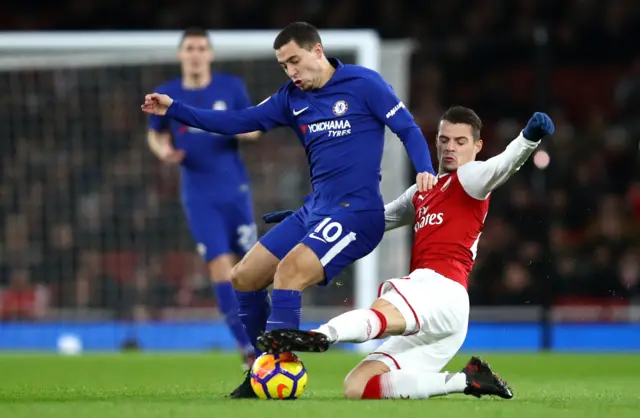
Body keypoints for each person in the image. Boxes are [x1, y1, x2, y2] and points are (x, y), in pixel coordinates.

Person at [141, 21, 437, 398]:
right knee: (243, 278)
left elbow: (408, 129)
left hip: (357, 211)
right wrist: (176, 110)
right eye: (284, 66)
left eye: (295, 61)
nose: (291, 72)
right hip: (316, 208)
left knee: (289, 272)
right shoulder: (289, 98)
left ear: (317, 51)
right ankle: (263, 367)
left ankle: (281, 375)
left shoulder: (365, 84)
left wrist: (425, 170)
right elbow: (236, 121)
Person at [258, 107, 555, 400]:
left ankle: (322, 335)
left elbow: (504, 165)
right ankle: (467, 380)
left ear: (477, 146)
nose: (450, 148)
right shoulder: (420, 191)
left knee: (383, 311)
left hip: (440, 287)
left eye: (460, 142)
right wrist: (309, 222)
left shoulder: (471, 178)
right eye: (444, 140)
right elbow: (372, 222)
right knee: (358, 386)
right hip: (443, 316)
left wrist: (528, 139)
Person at [146, 27, 260, 368]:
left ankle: (263, 334)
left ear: (209, 54)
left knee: (252, 270)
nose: (195, 54)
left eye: (201, 48)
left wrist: (229, 125)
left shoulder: (231, 87)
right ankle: (246, 346)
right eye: (189, 48)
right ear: (181, 54)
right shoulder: (168, 93)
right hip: (199, 195)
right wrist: (163, 151)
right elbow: (155, 135)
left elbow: (253, 127)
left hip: (235, 191)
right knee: (220, 266)